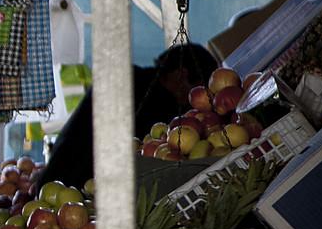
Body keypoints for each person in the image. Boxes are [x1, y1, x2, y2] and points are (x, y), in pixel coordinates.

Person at [38, 42, 216, 191]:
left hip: (57, 181)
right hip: (77, 190)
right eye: (198, 91)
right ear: (181, 75)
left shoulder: (128, 78)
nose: (196, 103)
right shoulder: (157, 102)